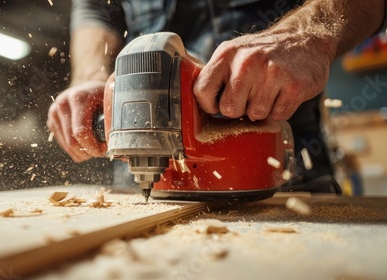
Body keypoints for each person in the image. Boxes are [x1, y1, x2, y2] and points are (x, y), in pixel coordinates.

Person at [47, 0, 386, 193]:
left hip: (280, 176)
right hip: (145, 173)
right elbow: (95, 8)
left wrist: (305, 35)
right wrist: (93, 79)